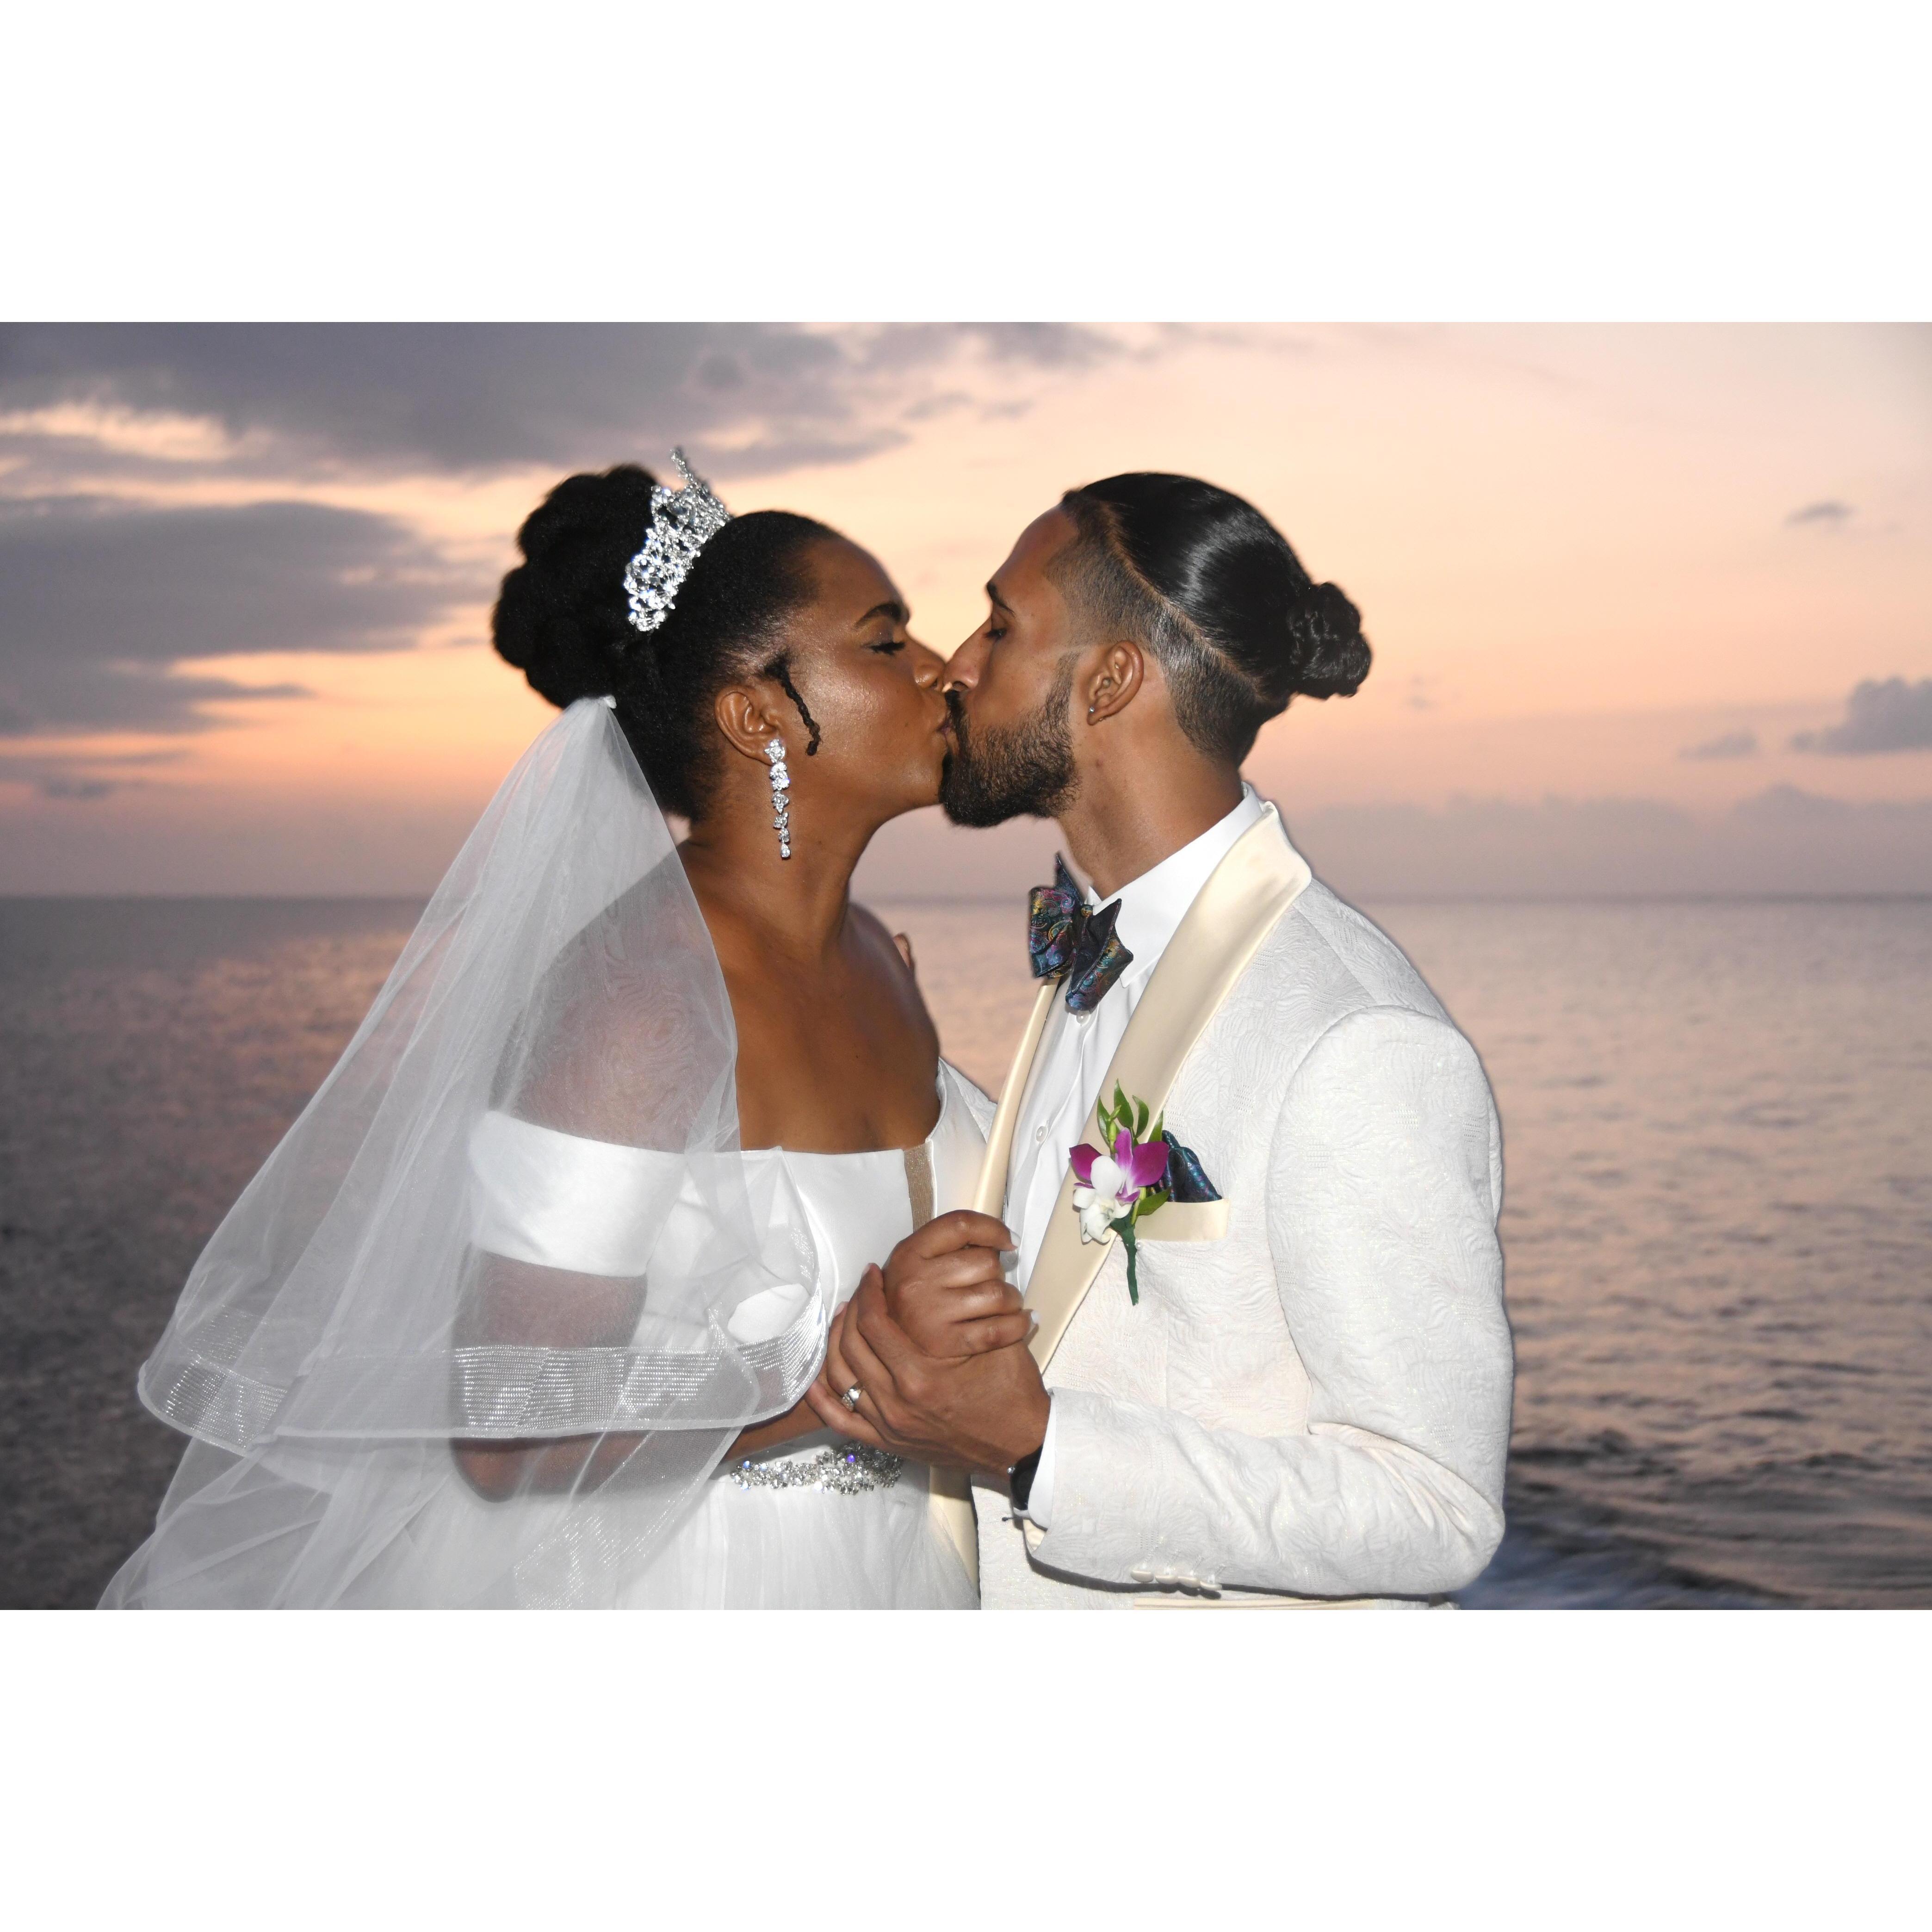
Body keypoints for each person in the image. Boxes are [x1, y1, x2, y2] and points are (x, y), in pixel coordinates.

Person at [103, 453, 1023, 1608]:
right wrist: (845, 1393)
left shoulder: (878, 958)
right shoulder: (639, 996)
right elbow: (506, 1436)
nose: (942, 669)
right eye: (885, 643)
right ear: (756, 716)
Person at [809, 471, 1516, 1608]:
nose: (958, 666)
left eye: (1001, 626)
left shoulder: (1360, 1041)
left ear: (1110, 682)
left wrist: (1042, 1449)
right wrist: (900, 1060)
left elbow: (1435, 1505)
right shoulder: (1096, 946)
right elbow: (1074, 1242)